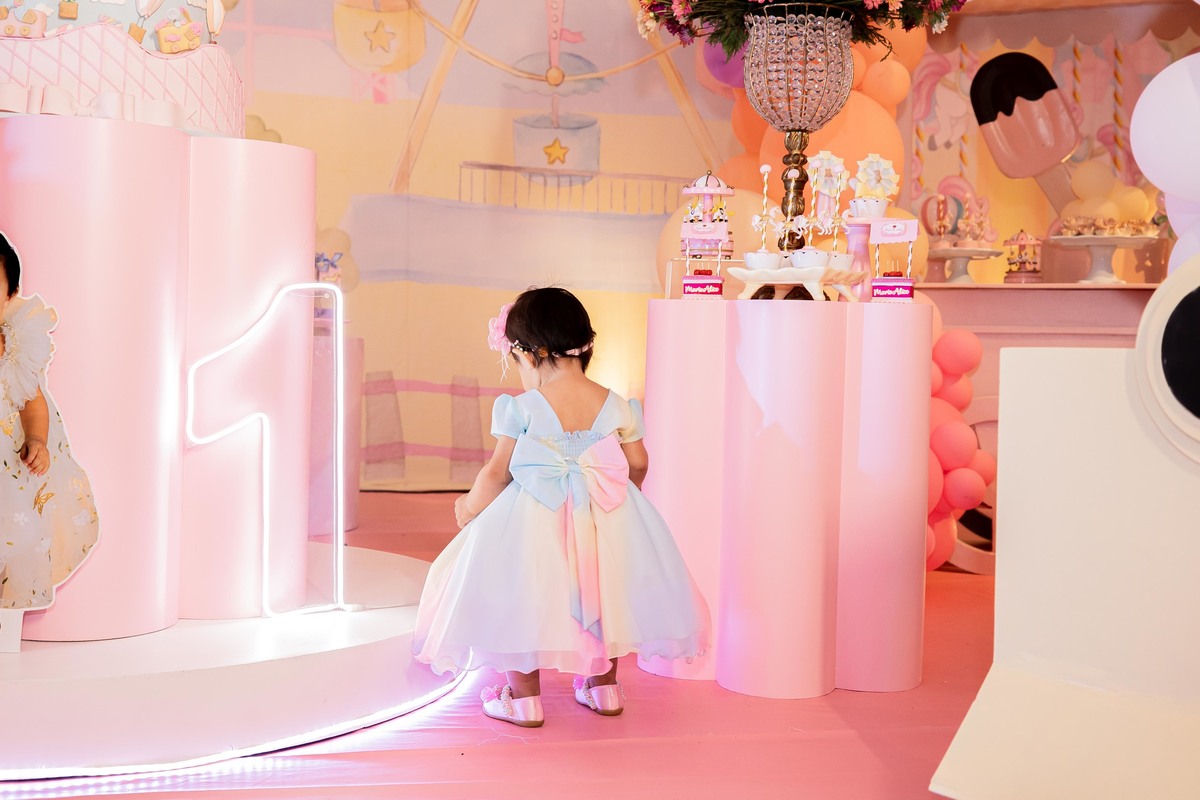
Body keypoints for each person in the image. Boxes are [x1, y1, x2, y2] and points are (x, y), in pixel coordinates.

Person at [413, 287, 709, 727]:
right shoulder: (617, 404)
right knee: (606, 590)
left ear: (531, 353)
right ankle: (603, 688)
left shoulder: (522, 408)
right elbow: (638, 463)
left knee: (521, 593)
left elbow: (498, 472)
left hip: (534, 518)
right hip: (604, 516)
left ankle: (523, 699)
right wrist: (620, 496)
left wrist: (469, 507)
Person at [0, 232, 99, 610]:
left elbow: (32, 401)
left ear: (10, 294)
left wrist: (37, 440)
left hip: (6, 466)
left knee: (12, 536)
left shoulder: (14, 347)